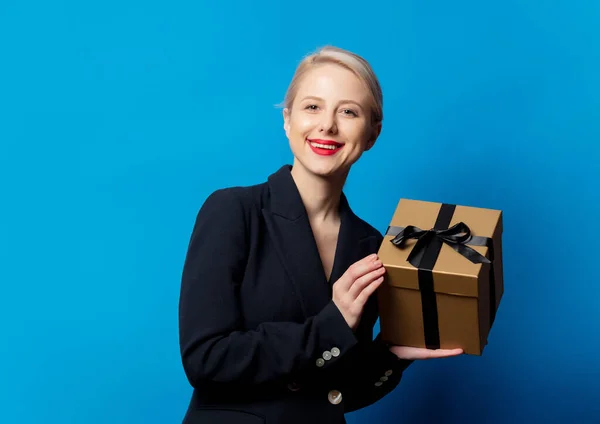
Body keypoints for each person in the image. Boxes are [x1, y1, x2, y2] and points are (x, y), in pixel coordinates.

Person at [178, 45, 463, 424]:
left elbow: (332, 395)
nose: (327, 125)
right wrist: (334, 322)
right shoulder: (233, 211)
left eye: (348, 111)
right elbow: (206, 360)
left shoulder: (373, 246)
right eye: (312, 107)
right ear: (287, 119)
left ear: (372, 134)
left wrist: (392, 355)